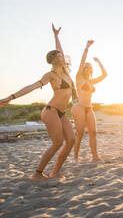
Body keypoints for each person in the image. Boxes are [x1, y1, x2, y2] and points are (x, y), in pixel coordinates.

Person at [0, 24, 77, 180]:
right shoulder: (50, 75)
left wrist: (56, 36)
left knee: (71, 141)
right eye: (59, 55)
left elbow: (59, 50)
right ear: (54, 60)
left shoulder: (66, 73)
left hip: (61, 112)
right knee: (57, 142)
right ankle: (37, 173)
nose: (63, 56)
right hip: (51, 110)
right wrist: (10, 97)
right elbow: (32, 87)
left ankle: (55, 171)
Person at [71, 40, 107, 162]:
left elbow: (105, 75)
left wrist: (99, 62)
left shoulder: (92, 81)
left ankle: (95, 156)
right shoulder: (79, 78)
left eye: (89, 68)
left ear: (91, 70)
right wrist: (86, 48)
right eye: (86, 67)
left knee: (93, 132)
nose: (87, 69)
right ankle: (75, 157)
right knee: (80, 133)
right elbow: (82, 62)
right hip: (79, 107)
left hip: (89, 108)